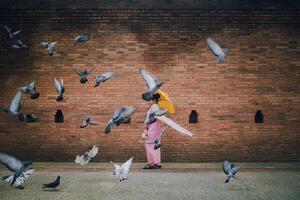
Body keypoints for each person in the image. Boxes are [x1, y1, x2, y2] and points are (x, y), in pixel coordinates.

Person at [142, 93, 162, 169]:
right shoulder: (156, 106)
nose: (149, 101)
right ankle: (157, 162)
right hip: (155, 127)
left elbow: (155, 117)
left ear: (153, 100)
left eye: (150, 99)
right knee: (155, 145)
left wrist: (147, 123)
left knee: (149, 144)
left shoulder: (154, 106)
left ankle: (151, 163)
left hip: (153, 127)